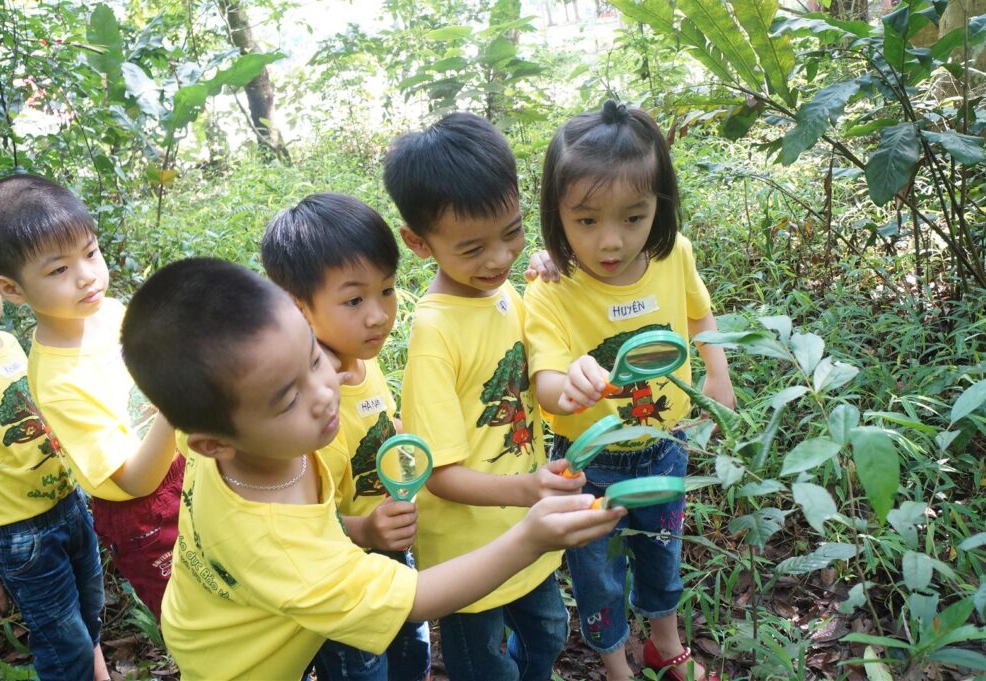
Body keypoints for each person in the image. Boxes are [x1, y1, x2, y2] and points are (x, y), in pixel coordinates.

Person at [119, 257, 625, 681]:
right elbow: (415, 599)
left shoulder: (233, 427)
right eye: (289, 396)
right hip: (239, 665)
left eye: (314, 357)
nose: (324, 392)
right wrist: (531, 537)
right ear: (214, 444)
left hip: (206, 613)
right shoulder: (281, 548)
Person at [524, 100, 735, 681]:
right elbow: (544, 379)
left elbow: (699, 314)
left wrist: (717, 375)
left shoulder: (674, 255)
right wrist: (567, 384)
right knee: (598, 571)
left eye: (634, 216)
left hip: (665, 442)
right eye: (586, 221)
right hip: (589, 463)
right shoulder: (552, 288)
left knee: (662, 553)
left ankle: (664, 646)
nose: (610, 242)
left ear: (659, 208)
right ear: (556, 213)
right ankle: (618, 668)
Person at [383, 112, 585, 681]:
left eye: (513, 233)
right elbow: (437, 472)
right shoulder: (435, 332)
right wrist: (525, 490)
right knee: (485, 665)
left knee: (547, 632)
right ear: (419, 244)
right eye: (472, 248)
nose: (498, 259)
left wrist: (544, 274)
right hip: (468, 553)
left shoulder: (503, 294)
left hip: (527, 528)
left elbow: (536, 366)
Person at [0, 175, 182, 620]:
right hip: (145, 515)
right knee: (197, 617)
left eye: (90, 253)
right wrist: (178, 406)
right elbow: (134, 481)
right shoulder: (58, 380)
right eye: (59, 270)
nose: (87, 276)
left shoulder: (111, 313)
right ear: (13, 290)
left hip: (184, 468)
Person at [261, 193, 430, 681]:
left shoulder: (363, 361)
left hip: (393, 553)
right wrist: (369, 531)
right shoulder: (305, 407)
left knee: (410, 656)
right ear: (299, 307)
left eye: (388, 290)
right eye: (354, 300)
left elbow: (382, 427)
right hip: (343, 577)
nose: (378, 315)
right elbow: (302, 522)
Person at [0, 268, 109, 681]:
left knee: (90, 615)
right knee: (62, 642)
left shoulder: (5, 343)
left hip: (68, 503)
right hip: (18, 533)